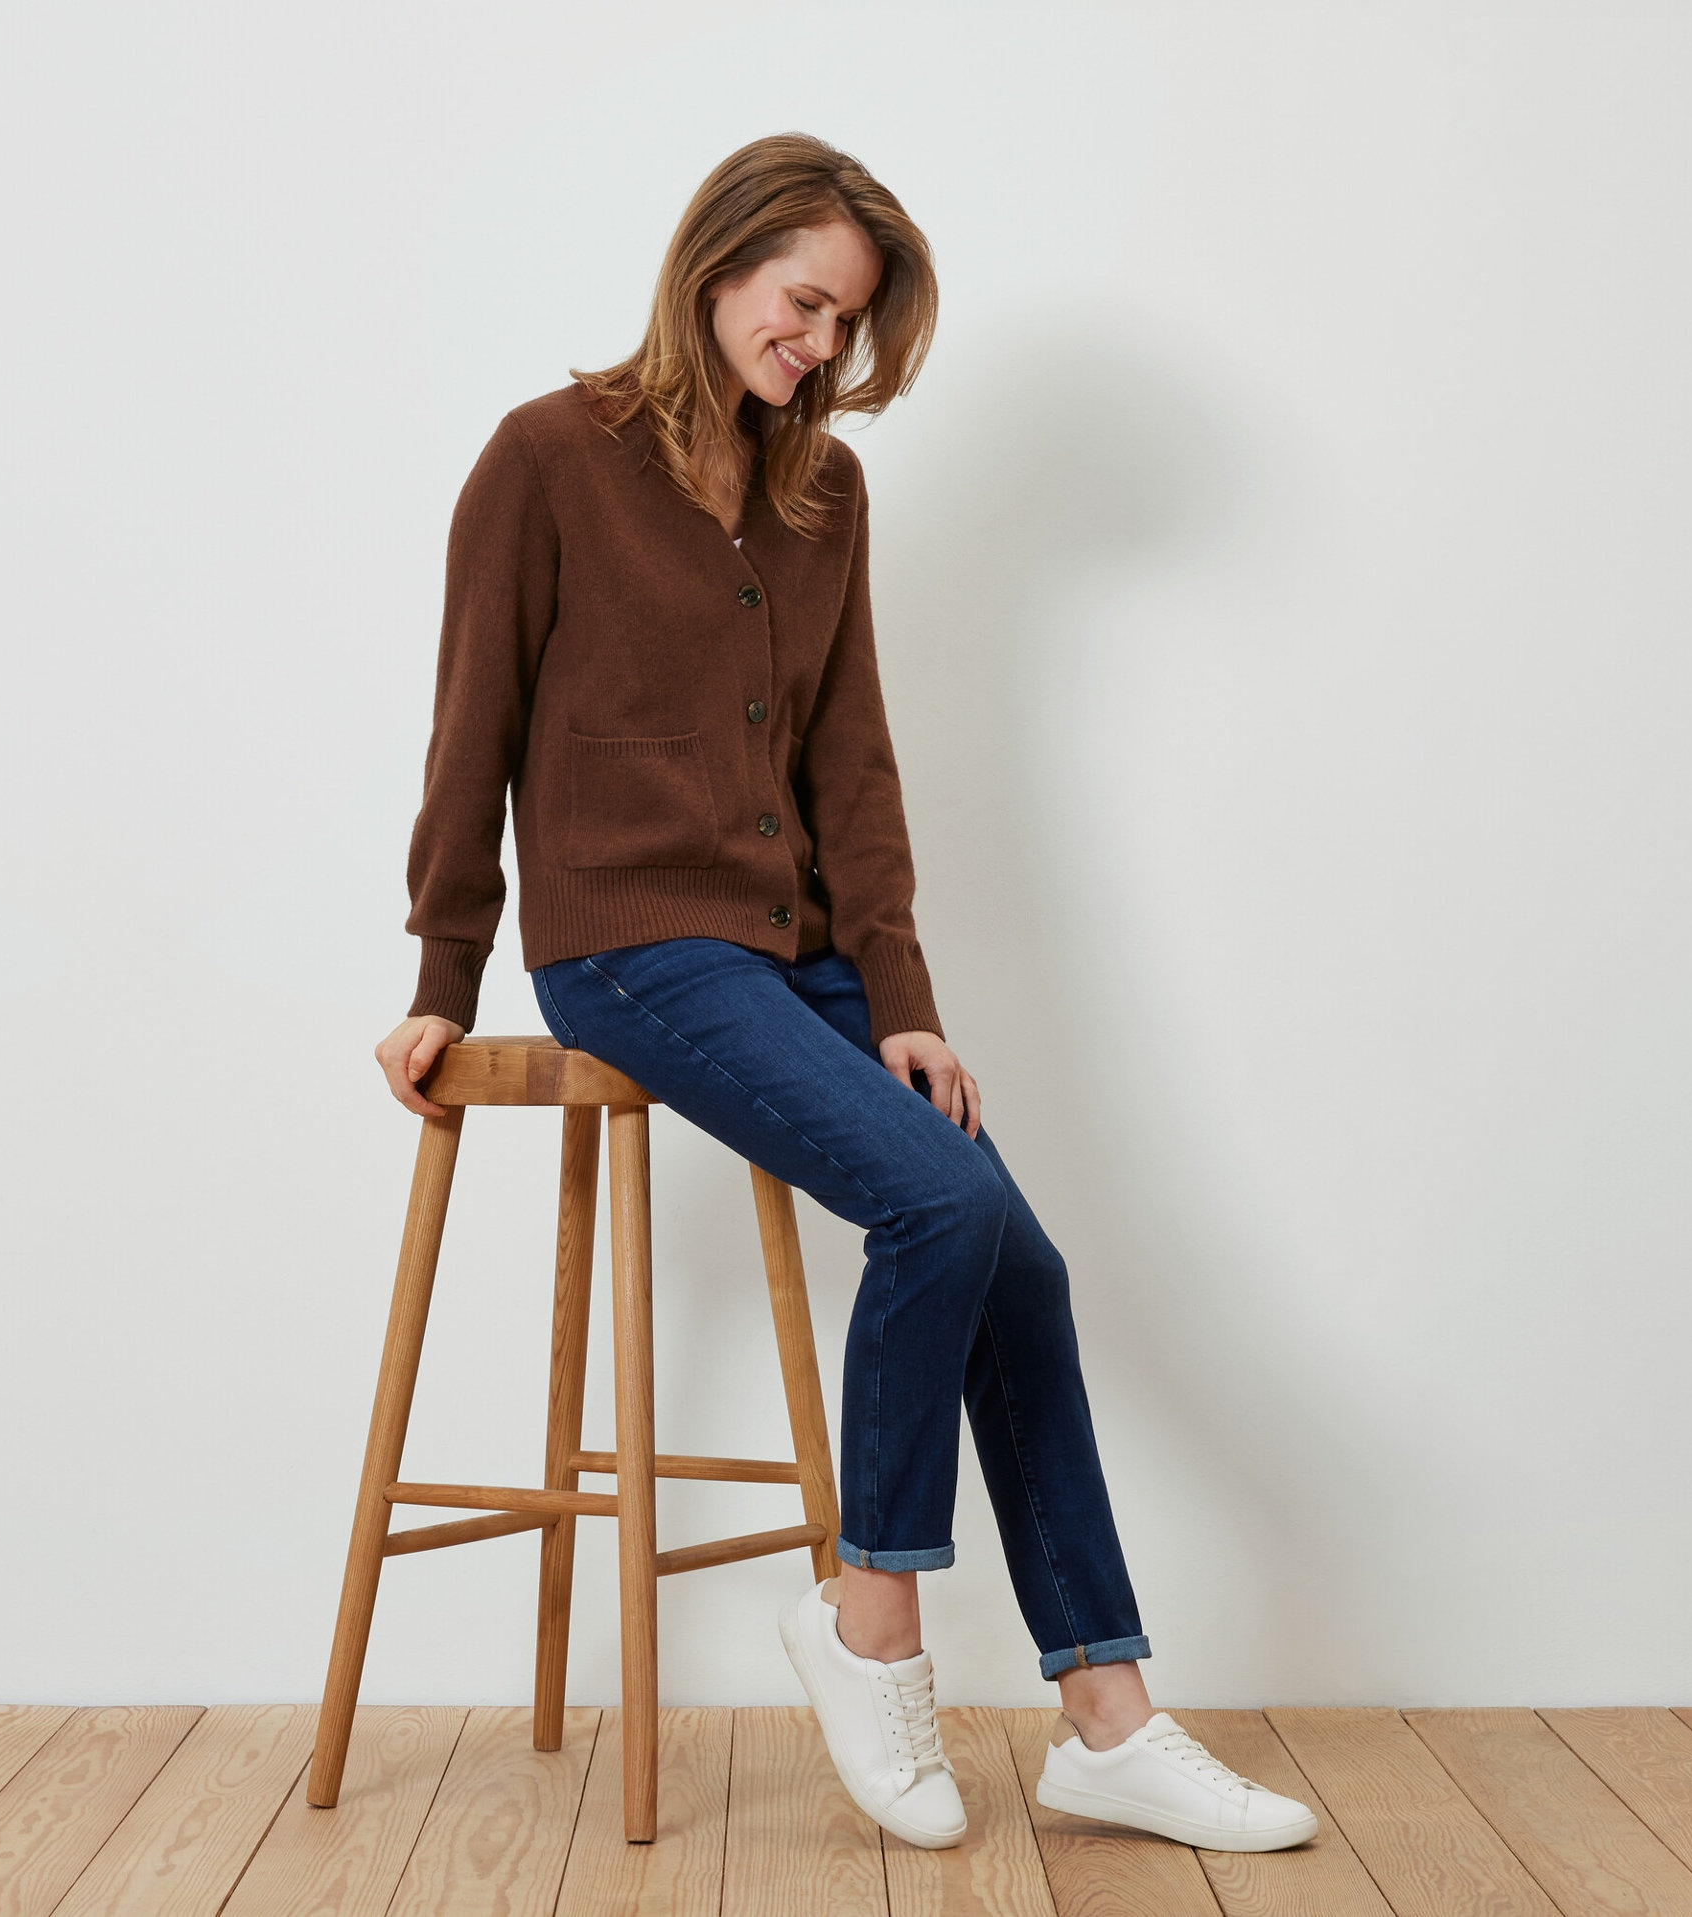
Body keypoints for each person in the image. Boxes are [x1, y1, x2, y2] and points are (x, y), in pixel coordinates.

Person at [374, 132, 1317, 1856]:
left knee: (1011, 1253)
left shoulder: (821, 496)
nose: (817, 347)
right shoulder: (545, 460)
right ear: (717, 261)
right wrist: (443, 967)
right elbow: (470, 730)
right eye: (803, 305)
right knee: (937, 1205)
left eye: (844, 324)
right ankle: (868, 1614)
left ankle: (1101, 1710)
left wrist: (896, 991)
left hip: (794, 950)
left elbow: (851, 761)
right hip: (626, 949)